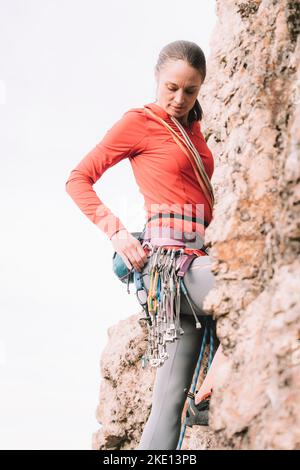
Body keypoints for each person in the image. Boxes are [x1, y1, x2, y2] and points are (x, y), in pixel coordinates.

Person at [65, 39, 227, 450]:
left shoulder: (194, 129)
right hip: (173, 269)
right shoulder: (139, 122)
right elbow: (78, 179)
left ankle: (204, 395)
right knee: (249, 288)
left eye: (190, 90)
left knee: (168, 403)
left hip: (196, 262)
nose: (179, 98)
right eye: (171, 87)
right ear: (156, 79)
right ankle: (209, 390)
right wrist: (117, 233)